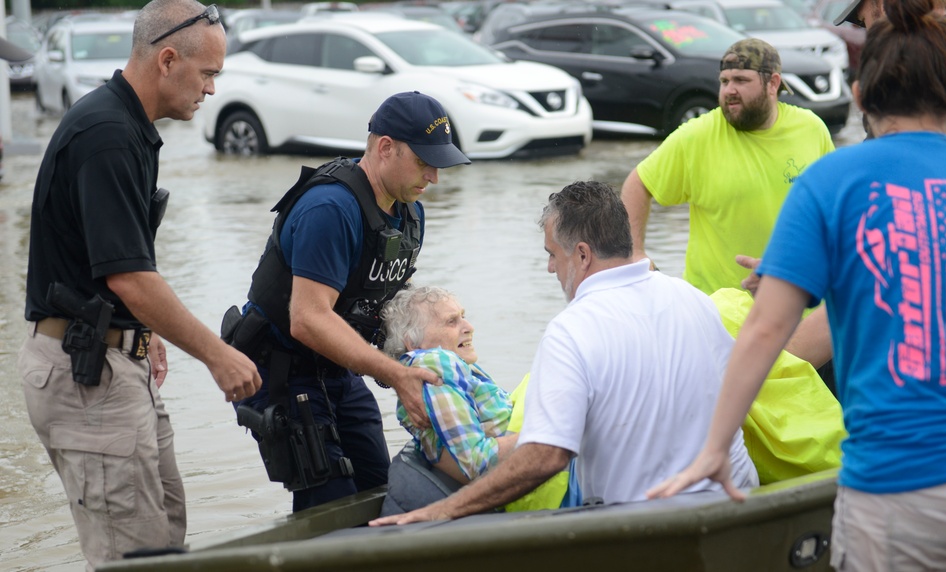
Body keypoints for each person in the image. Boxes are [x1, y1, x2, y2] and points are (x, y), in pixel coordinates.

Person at [649, 0, 946, 568]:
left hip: (898, 485)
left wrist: (715, 447)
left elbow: (765, 331)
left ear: (859, 98)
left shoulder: (831, 183)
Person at [17, 1, 262, 568]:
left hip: (113, 364)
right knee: (135, 557)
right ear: (168, 60)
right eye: (208, 75)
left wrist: (144, 338)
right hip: (85, 378)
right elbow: (129, 276)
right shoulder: (106, 134)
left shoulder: (128, 126)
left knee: (165, 536)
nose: (210, 91)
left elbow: (118, 263)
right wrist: (217, 356)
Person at [370, 181, 758, 526]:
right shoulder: (692, 298)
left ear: (583, 255)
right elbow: (739, 392)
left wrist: (445, 511)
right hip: (735, 503)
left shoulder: (572, 329)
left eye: (553, 254)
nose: (550, 267)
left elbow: (547, 456)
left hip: (644, 524)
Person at [228, 91, 469, 513]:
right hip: (284, 370)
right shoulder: (330, 208)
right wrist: (395, 375)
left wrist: (441, 358)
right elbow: (307, 319)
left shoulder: (410, 212)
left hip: (339, 368)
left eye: (439, 164)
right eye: (424, 161)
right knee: (331, 502)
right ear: (385, 147)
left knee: (380, 492)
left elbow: (385, 310)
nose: (433, 177)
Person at [621, 38, 836, 296]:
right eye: (724, 81)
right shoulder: (698, 135)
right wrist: (634, 252)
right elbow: (639, 183)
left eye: (741, 81)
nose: (729, 90)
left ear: (773, 83)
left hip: (796, 302)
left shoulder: (811, 129)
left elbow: (832, 209)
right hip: (717, 312)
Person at [377, 285, 572, 515]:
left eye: (463, 317)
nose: (469, 328)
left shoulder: (455, 368)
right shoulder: (434, 370)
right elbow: (474, 461)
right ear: (412, 343)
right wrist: (556, 435)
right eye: (452, 321)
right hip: (544, 484)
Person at [835, 0, 946, 163]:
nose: (869, 34)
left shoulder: (914, 72)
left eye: (864, 22)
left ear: (886, 6)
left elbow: (883, 167)